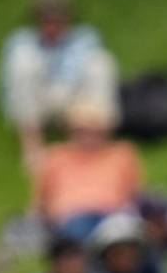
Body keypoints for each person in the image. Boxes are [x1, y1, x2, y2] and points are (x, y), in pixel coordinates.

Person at [0, 0, 120, 174]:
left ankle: (96, 140)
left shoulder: (83, 40)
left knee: (101, 63)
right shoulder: (23, 43)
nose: (53, 27)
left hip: (74, 100)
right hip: (39, 101)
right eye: (47, 21)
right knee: (22, 64)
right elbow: (12, 89)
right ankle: (32, 146)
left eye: (58, 21)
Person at [33, 101, 144, 241]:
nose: (88, 136)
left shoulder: (121, 154)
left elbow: (134, 193)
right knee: (80, 230)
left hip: (114, 215)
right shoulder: (56, 156)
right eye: (81, 131)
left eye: (93, 130)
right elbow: (42, 201)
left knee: (123, 231)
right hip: (71, 217)